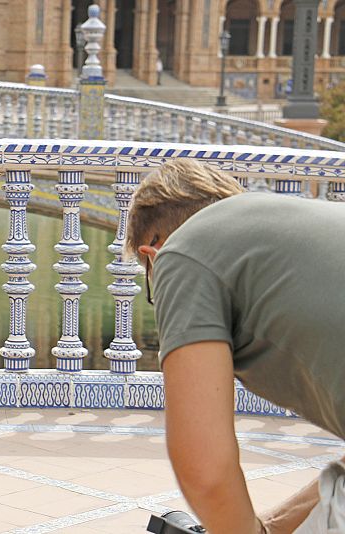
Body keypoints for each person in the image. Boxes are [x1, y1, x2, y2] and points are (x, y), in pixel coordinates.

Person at [125, 159, 345, 533]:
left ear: (153, 255)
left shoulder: (182, 252)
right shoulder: (304, 230)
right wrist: (270, 527)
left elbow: (205, 471)